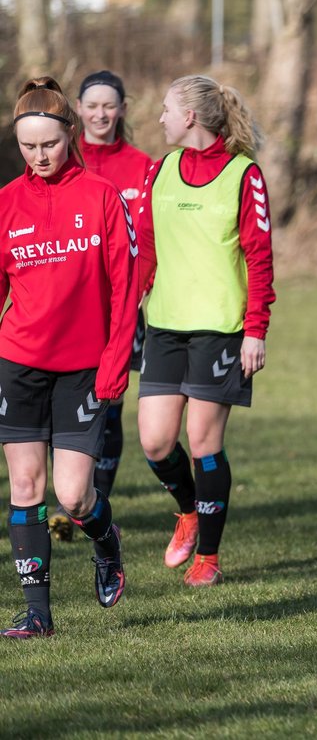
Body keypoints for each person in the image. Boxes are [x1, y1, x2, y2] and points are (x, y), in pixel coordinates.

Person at [0, 77, 136, 637]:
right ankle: (38, 615)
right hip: (19, 362)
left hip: (83, 368)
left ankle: (107, 540)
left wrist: (115, 362)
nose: (38, 157)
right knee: (26, 488)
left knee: (74, 497)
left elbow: (125, 289)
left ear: (70, 134)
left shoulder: (101, 196)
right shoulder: (6, 203)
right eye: (28, 147)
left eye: (49, 145)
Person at [135, 74, 275, 587]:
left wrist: (256, 330)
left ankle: (209, 558)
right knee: (154, 442)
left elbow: (260, 258)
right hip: (165, 327)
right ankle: (188, 511)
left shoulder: (245, 175)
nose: (160, 118)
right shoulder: (161, 170)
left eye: (166, 109)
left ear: (189, 116)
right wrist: (128, 307)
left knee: (202, 442)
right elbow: (145, 251)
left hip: (221, 329)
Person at [74, 70, 152, 503]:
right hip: (71, 306)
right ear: (78, 109)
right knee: (64, 401)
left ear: (122, 109)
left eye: (109, 105)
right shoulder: (64, 161)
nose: (100, 114)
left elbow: (151, 238)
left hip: (121, 308)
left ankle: (96, 502)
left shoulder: (143, 167)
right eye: (92, 105)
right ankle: (73, 494)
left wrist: (140, 287)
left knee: (109, 404)